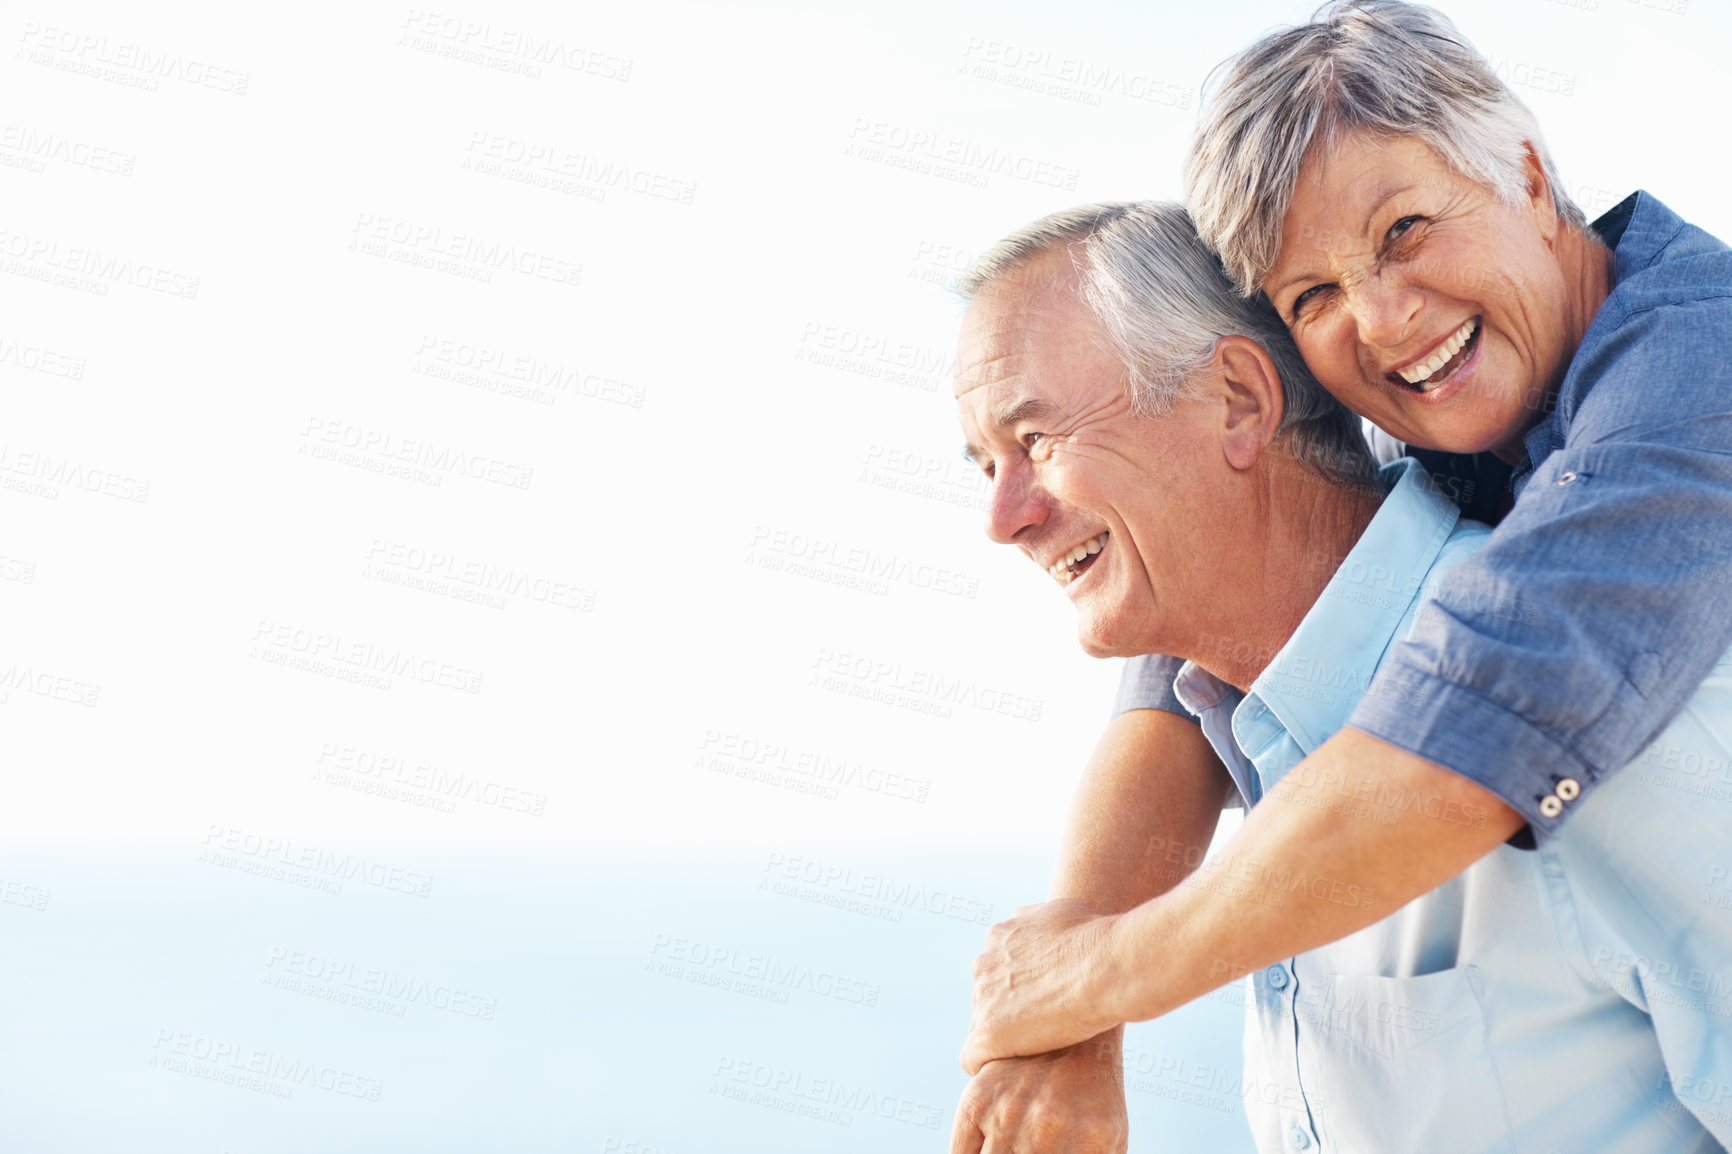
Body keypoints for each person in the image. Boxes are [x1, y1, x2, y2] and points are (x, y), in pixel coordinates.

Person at [954, 3, 1732, 1149]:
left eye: (1404, 229)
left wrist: (1093, 977)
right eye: (1309, 297)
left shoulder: (1676, 436)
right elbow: (1192, 660)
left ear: (1527, 172)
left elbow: (1483, 725)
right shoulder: (1453, 444)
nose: (1378, 319)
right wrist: (1073, 995)